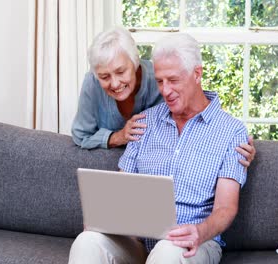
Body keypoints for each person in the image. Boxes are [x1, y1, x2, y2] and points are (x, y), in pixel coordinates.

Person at [68, 33, 249, 264]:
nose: (165, 91)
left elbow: (226, 208)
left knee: (167, 251)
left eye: (173, 80)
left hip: (193, 244)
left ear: (197, 74)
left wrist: (200, 232)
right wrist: (105, 219)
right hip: (139, 243)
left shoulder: (232, 132)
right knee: (88, 241)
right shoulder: (143, 123)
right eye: (160, 81)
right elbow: (122, 191)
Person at [70, 27, 256, 167]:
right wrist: (118, 137)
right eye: (105, 76)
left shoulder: (160, 78)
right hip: (128, 164)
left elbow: (194, 109)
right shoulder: (92, 84)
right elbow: (80, 135)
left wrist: (233, 145)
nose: (115, 83)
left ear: (134, 63)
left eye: (120, 71)